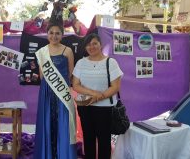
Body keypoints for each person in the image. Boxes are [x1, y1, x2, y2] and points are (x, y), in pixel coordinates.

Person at [33, 9, 77, 158]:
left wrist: (61, 84)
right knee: (47, 124)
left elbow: (71, 73)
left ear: (62, 35)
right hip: (46, 93)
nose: (54, 36)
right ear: (47, 34)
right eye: (51, 33)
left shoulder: (68, 51)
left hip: (62, 93)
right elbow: (41, 76)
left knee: (63, 125)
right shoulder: (42, 52)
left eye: (58, 33)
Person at [72, 33, 123, 159]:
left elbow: (115, 87)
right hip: (85, 107)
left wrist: (99, 97)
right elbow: (76, 85)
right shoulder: (80, 63)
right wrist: (94, 94)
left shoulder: (111, 62)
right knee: (88, 139)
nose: (91, 47)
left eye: (94, 43)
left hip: (105, 108)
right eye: (88, 44)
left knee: (104, 140)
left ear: (100, 44)